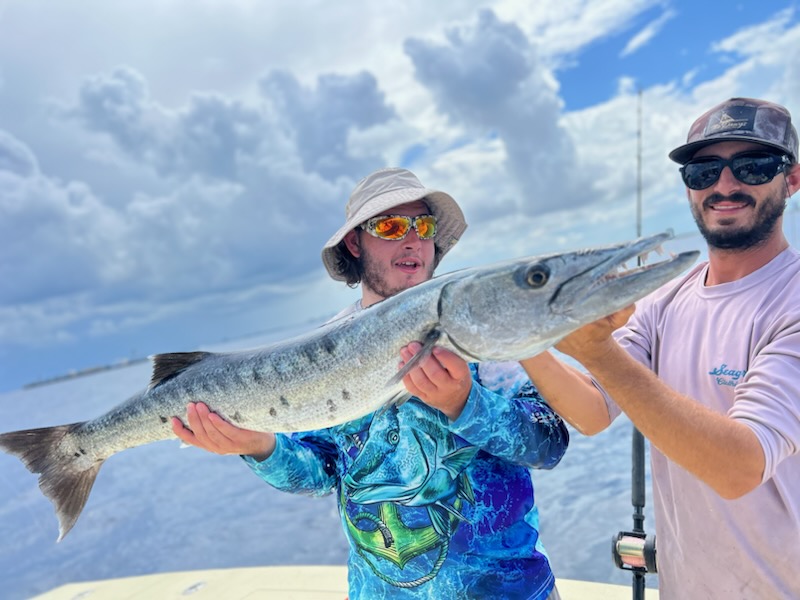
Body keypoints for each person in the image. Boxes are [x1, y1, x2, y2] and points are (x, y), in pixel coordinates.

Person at [172, 167, 570, 600]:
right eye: (391, 226)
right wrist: (258, 447)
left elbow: (549, 444)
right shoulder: (324, 353)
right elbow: (321, 473)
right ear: (354, 242)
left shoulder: (476, 326)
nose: (413, 239)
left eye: (424, 225)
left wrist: (466, 403)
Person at [521, 97, 800, 599]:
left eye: (752, 166)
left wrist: (598, 351)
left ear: (793, 179)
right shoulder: (663, 298)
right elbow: (591, 410)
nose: (725, 185)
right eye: (704, 171)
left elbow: (740, 467)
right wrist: (520, 332)